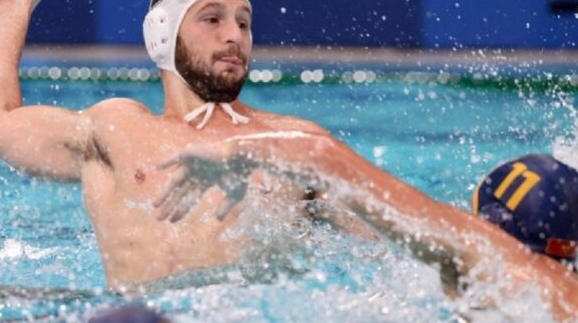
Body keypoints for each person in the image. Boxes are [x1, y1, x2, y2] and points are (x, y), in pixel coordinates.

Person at [0, 0, 371, 290]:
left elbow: (390, 251)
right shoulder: (116, 130)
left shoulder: (298, 144)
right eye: (212, 19)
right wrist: (15, 9)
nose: (234, 36)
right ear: (162, 35)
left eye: (243, 23)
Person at [156, 135, 578, 320]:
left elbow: (321, 154)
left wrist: (233, 151)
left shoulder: (486, 253)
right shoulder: (563, 292)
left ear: (488, 224)